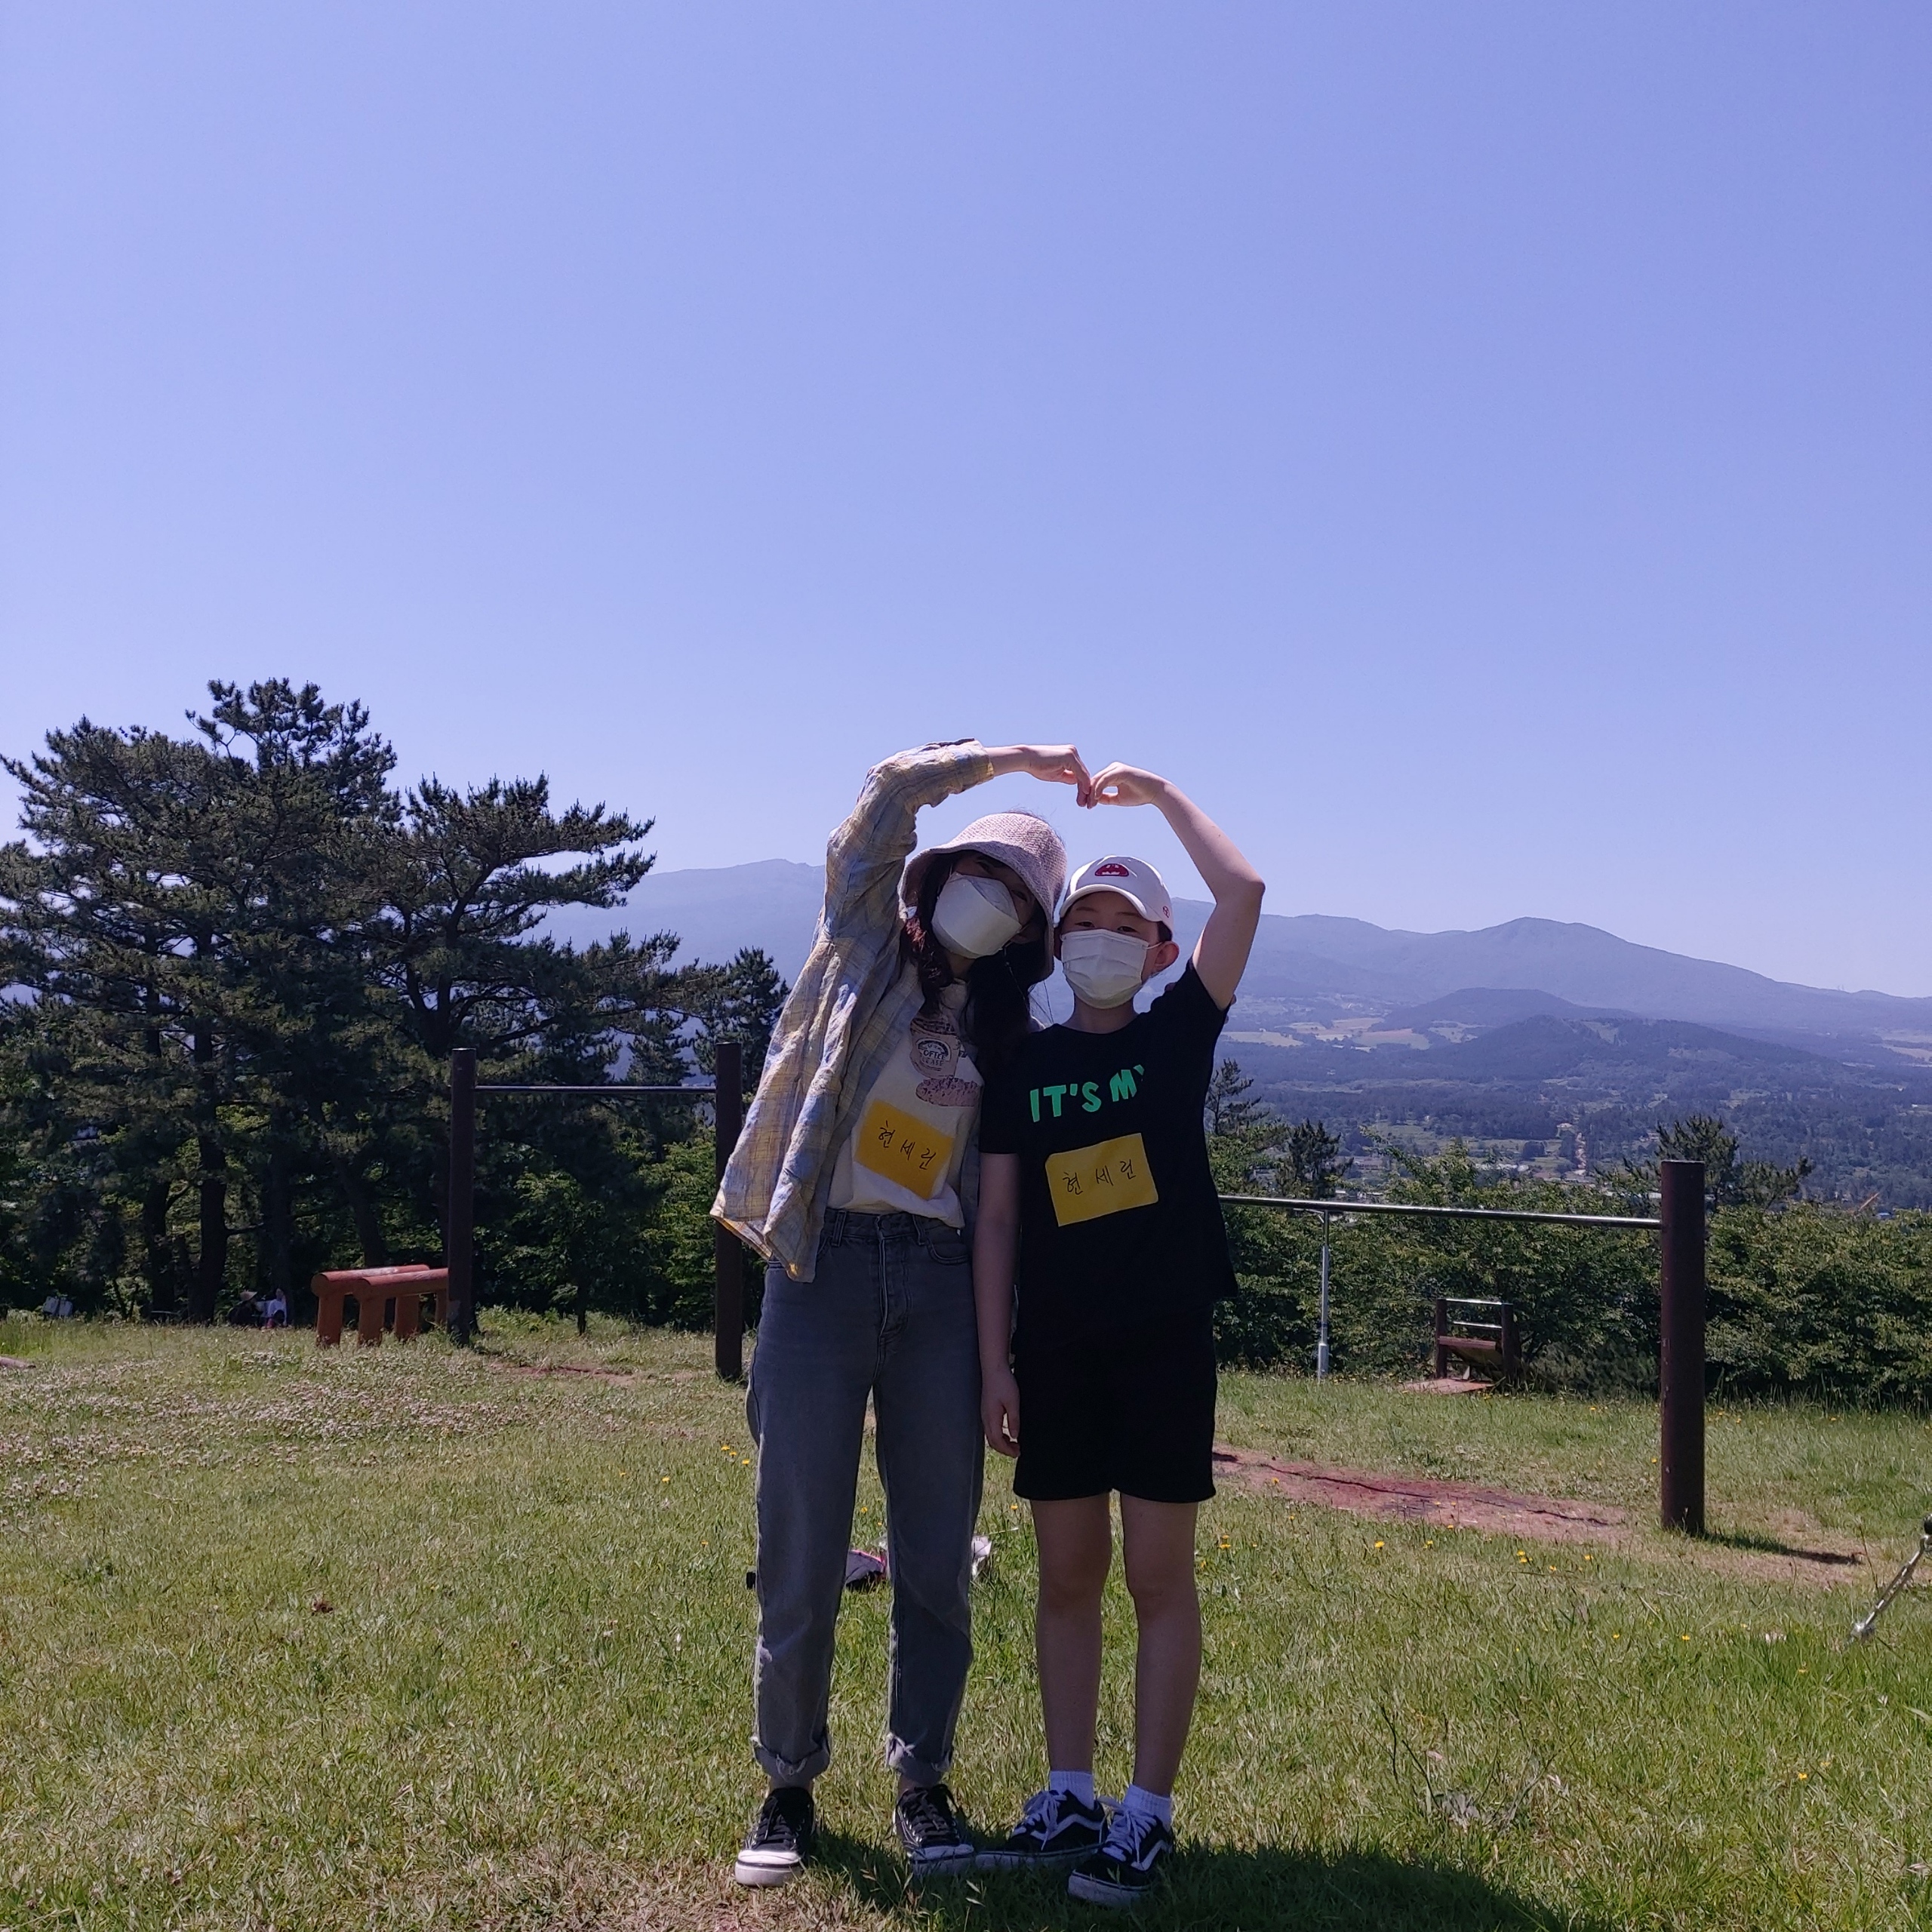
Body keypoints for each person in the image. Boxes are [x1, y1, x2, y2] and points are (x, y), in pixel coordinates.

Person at [712, 740, 1088, 1887]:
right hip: (819, 1265)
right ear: (940, 872)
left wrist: (1002, 1347)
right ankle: (788, 1783)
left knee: (933, 1551)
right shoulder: (863, 942)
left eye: (1020, 894)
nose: (994, 898)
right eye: (984, 871)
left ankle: (923, 1782)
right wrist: (1014, 761)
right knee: (800, 1540)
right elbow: (883, 798)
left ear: (1031, 932)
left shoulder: (1006, 1034)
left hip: (936, 1281)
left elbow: (1001, 1204)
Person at [973, 763, 1263, 1906]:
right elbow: (1000, 1219)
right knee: (1065, 1575)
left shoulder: (1178, 1035)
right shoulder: (1024, 1063)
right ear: (1057, 945)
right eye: (1084, 920)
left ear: (1158, 950)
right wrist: (994, 1360)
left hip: (1160, 1344)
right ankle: (1069, 1795)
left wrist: (1161, 797)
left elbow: (1244, 894)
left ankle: (1148, 1812)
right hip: (1054, 1349)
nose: (1101, 938)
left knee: (1154, 1574)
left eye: (1125, 926)